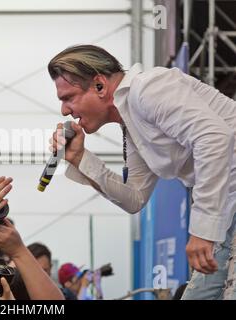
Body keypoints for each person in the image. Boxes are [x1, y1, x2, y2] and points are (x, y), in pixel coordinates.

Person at [49, 44, 236, 300]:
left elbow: (214, 138)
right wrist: (81, 158)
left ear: (100, 85)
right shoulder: (132, 121)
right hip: (227, 206)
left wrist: (202, 230)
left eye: (68, 97)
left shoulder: (148, 88)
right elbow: (134, 198)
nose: (64, 110)